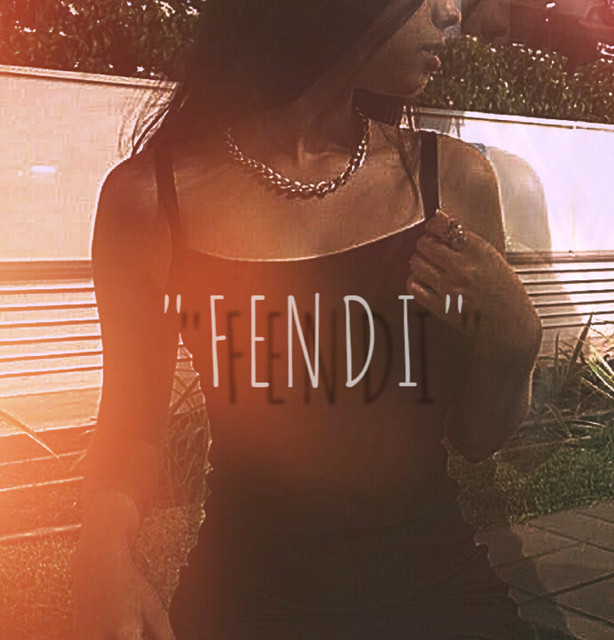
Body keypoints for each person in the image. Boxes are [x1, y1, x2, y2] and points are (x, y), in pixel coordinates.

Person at [71, 0, 543, 638]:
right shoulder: (151, 200)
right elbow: (131, 426)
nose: (451, 13)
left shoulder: (450, 183)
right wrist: (102, 550)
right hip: (245, 602)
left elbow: (476, 436)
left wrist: (516, 341)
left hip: (439, 593)